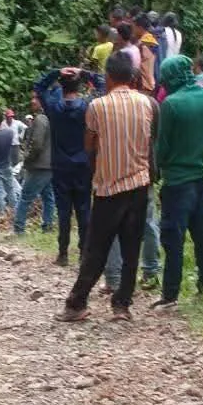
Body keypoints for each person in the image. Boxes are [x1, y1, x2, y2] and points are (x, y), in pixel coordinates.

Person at [55, 51, 157, 323]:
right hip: (139, 185)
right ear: (132, 76)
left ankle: (77, 303)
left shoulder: (97, 107)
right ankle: (122, 305)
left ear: (109, 76)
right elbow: (151, 142)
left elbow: (89, 147)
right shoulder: (148, 104)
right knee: (131, 249)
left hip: (108, 188)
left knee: (96, 249)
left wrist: (100, 167)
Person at [151, 54, 203, 311]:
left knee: (173, 239)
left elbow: (162, 147)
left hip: (177, 182)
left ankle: (170, 295)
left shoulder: (171, 104)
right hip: (201, 177)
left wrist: (158, 170)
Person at [34, 64, 105, 267]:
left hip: (60, 165)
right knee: (84, 210)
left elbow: (39, 87)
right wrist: (84, 73)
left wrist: (56, 72)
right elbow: (103, 86)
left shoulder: (53, 108)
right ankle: (84, 253)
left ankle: (63, 253)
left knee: (63, 211)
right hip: (83, 165)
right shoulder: (88, 106)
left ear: (61, 86)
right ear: (79, 86)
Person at [13, 91, 55, 235]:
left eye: (36, 98)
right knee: (48, 197)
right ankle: (47, 226)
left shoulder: (41, 119)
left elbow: (37, 144)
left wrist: (27, 158)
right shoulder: (52, 118)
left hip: (39, 165)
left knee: (25, 197)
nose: (32, 101)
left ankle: (19, 228)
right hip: (49, 165)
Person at [0, 112, 19, 215]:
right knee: (10, 189)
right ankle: (15, 211)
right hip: (7, 165)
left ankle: (1, 213)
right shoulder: (9, 132)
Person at [132, 12, 159, 95]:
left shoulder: (143, 44)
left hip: (143, 86)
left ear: (140, 28)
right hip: (152, 84)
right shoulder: (152, 40)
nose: (132, 30)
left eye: (134, 27)